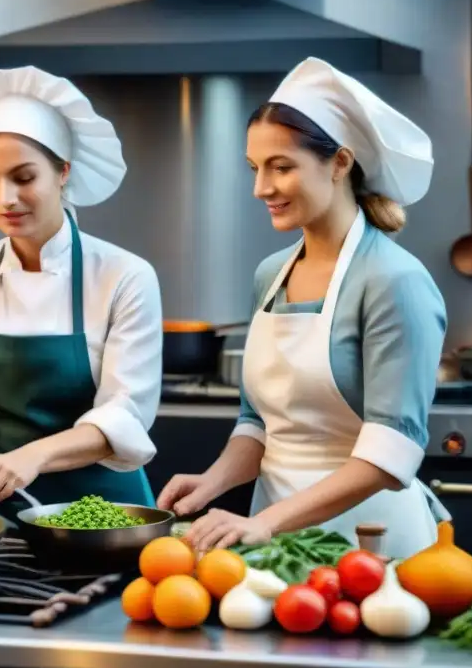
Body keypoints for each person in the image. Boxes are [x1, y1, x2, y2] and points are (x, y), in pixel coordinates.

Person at [158, 57, 447, 559]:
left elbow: (389, 456)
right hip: (276, 548)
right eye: (255, 168)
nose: (260, 189)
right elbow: (257, 424)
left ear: (339, 162)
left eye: (281, 167)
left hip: (373, 550)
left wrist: (266, 523)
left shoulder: (394, 281)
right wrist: (212, 483)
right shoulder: (271, 275)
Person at [0, 65, 163, 519]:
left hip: (99, 512)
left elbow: (125, 413)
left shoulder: (124, 276)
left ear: (63, 171)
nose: (5, 198)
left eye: (23, 177)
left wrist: (33, 456)